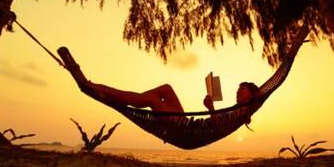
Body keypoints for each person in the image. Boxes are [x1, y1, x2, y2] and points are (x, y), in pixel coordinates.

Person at [57, 47, 259, 114]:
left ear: (250, 94)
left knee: (153, 100)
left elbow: (216, 127)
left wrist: (211, 108)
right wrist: (211, 106)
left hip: (187, 133)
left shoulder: (240, 112)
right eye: (238, 89)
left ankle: (100, 88)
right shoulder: (235, 109)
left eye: (241, 90)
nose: (237, 92)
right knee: (165, 89)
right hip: (187, 125)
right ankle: (112, 93)